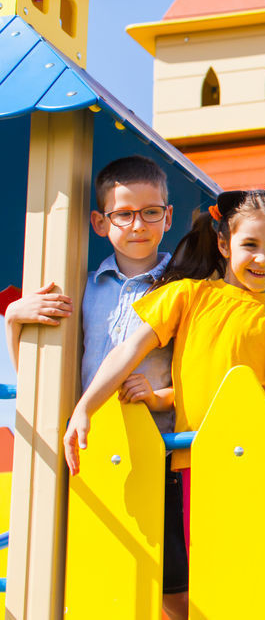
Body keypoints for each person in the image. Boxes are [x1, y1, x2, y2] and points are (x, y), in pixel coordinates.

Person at [63, 184, 265, 620]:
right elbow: (129, 351)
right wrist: (85, 407)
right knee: (206, 585)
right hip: (194, 466)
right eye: (250, 245)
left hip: (260, 463)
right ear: (224, 243)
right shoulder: (187, 296)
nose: (262, 258)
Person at [6, 155, 189, 619]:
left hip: (158, 452)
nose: (138, 224)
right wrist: (13, 320)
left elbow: (199, 379)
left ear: (168, 216)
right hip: (87, 453)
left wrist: (160, 394)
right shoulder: (83, 287)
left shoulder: (183, 288)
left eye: (151, 212)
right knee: (85, 578)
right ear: (99, 221)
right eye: (123, 214)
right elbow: (39, 379)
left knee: (171, 589)